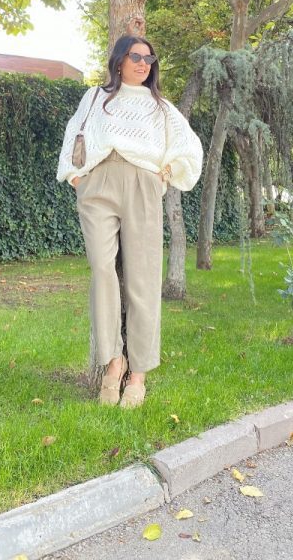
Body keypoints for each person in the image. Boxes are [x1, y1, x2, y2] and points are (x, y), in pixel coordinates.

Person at [56, 36, 203, 408]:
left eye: (149, 59)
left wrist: (163, 176)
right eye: (135, 56)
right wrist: (76, 178)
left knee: (143, 279)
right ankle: (113, 360)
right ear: (119, 60)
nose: (143, 64)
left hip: (142, 184)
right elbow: (73, 133)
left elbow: (189, 147)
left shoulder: (161, 107)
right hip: (98, 184)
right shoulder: (95, 97)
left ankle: (138, 375)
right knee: (102, 269)